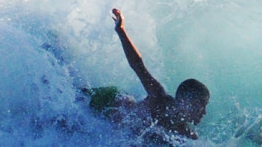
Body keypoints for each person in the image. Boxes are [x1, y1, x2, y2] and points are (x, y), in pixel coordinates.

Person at [88, 8, 210, 140]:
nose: (204, 112)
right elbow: (138, 66)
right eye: (201, 105)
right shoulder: (159, 98)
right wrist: (121, 30)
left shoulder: (186, 133)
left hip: (116, 120)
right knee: (70, 106)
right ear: (186, 103)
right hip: (107, 101)